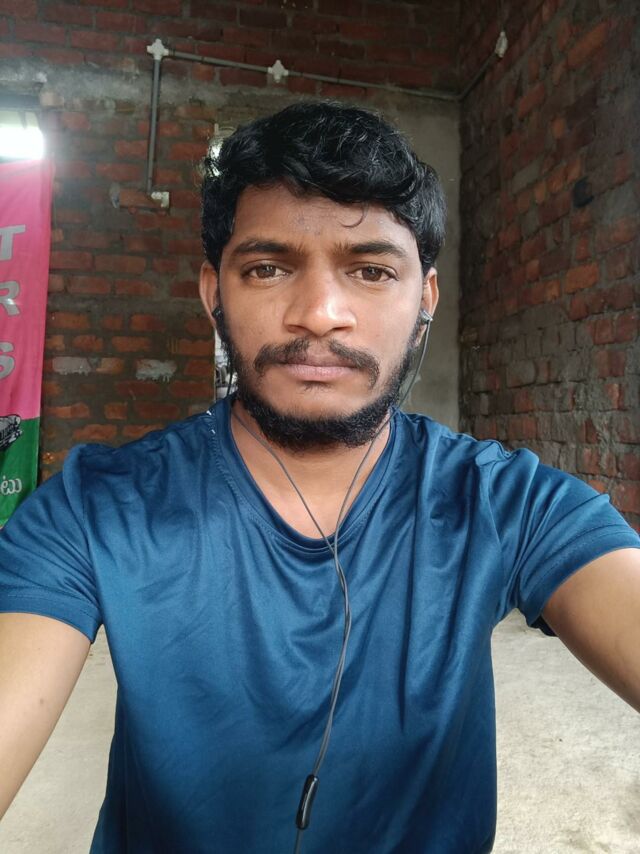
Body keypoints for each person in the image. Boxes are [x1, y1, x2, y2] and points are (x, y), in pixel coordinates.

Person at [0, 101, 638, 854]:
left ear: (425, 299)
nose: (320, 314)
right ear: (213, 292)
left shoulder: (507, 503)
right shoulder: (95, 510)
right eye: (268, 268)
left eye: (371, 270)